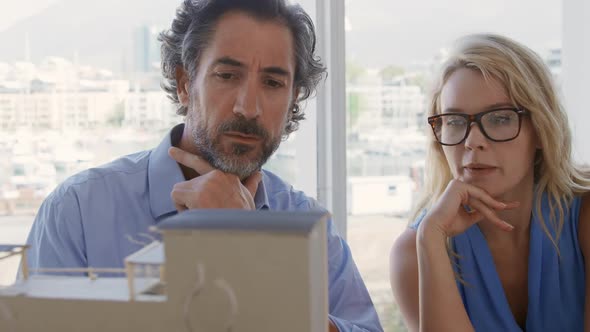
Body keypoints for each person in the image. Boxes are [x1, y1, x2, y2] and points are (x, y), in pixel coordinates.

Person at [25, 0, 382, 331]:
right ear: (184, 84)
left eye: (273, 83)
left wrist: (251, 250)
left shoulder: (310, 225)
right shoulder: (79, 210)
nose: (249, 107)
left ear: (292, 102)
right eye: (227, 75)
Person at [390, 33, 590, 332]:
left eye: (499, 118)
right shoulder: (416, 250)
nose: (473, 142)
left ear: (540, 129)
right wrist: (431, 239)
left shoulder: (584, 215)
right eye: (455, 122)